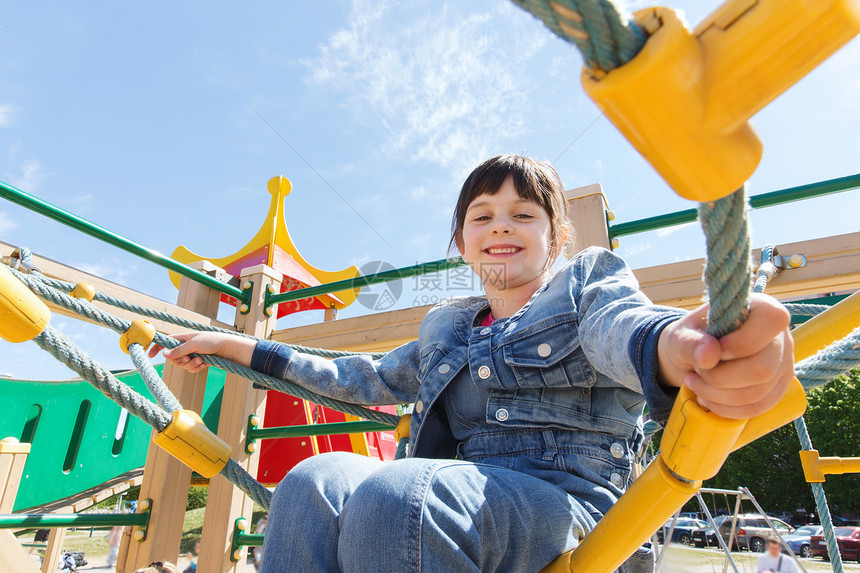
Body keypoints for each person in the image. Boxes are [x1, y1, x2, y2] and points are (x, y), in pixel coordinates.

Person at [151, 155, 795, 572]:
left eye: (524, 214)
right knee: (312, 480)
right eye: (482, 216)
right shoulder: (447, 326)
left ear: (556, 235)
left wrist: (676, 349)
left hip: (569, 503)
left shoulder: (584, 286)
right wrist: (238, 347)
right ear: (461, 241)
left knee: (400, 494)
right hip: (462, 499)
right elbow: (361, 378)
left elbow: (620, 328)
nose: (501, 226)